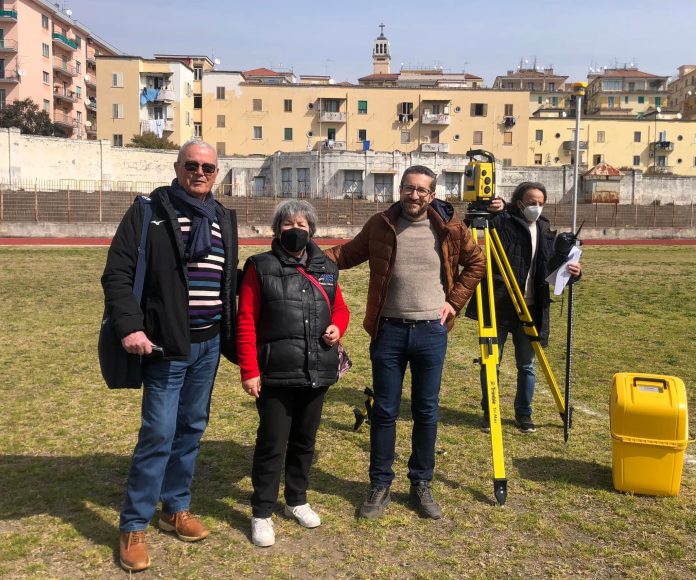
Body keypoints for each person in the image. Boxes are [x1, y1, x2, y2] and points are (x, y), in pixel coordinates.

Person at [102, 140, 238, 572]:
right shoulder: (149, 211)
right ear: (177, 167)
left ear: (217, 173)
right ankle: (134, 524)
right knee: (159, 432)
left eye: (208, 167)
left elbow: (226, 281)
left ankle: (174, 508)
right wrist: (130, 326)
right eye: (192, 165)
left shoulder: (223, 218)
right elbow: (117, 273)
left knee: (192, 426)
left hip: (209, 343)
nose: (200, 172)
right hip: (166, 344)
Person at [324, 165, 485, 520]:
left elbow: (477, 263)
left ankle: (421, 484)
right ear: (400, 190)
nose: (414, 196)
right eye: (408, 188)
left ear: (432, 195)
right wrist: (303, 254)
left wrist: (454, 302)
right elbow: (346, 255)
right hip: (389, 333)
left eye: (421, 191)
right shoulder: (381, 225)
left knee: (426, 411)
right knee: (385, 411)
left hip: (431, 332)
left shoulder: (451, 228)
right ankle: (380, 484)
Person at [237, 200, 350, 547]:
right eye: (287, 224)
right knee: (272, 443)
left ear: (312, 230)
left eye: (301, 223)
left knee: (304, 441)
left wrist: (337, 327)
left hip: (317, 369)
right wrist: (249, 370)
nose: (295, 229)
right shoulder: (259, 266)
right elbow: (245, 319)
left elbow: (340, 308)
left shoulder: (326, 268)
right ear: (276, 230)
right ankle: (262, 512)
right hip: (274, 371)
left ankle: (297, 500)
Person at [466, 181, 582, 434]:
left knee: (527, 365)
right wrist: (495, 208)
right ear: (519, 202)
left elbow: (551, 267)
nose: (536, 207)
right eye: (531, 202)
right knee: (491, 363)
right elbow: (476, 225)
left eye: (540, 203)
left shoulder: (544, 228)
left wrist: (573, 271)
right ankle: (490, 411)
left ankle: (523, 413)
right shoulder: (502, 222)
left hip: (531, 307)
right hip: (499, 305)